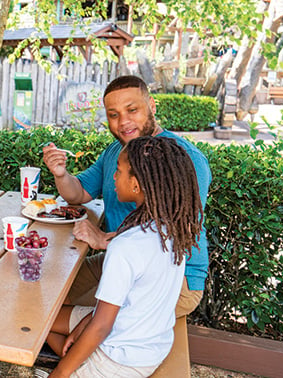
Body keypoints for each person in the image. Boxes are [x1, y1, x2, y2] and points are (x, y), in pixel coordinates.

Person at [42, 75, 211, 317]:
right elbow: (78, 193)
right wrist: (60, 174)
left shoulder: (184, 159)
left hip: (172, 279)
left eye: (132, 110)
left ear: (151, 106)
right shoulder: (116, 152)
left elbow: (171, 238)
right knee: (51, 293)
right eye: (114, 114)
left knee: (64, 318)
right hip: (118, 259)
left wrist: (102, 240)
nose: (124, 122)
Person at [46, 136, 204, 377]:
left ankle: (72, 365)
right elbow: (118, 309)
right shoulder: (172, 229)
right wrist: (82, 326)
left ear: (137, 184)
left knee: (46, 334)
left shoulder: (126, 245)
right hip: (151, 345)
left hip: (120, 359)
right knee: (40, 323)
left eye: (119, 172)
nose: (113, 177)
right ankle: (73, 357)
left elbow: (101, 328)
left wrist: (59, 374)